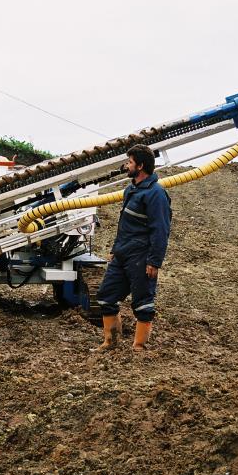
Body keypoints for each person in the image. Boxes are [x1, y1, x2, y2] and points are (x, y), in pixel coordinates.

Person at [96, 144, 171, 351]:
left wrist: (154, 261)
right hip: (122, 254)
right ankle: (110, 342)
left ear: (140, 166)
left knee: (142, 303)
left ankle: (139, 347)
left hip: (141, 255)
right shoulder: (131, 190)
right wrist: (115, 249)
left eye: (129, 162)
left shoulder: (156, 194)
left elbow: (161, 230)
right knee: (106, 296)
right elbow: (125, 224)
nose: (126, 165)